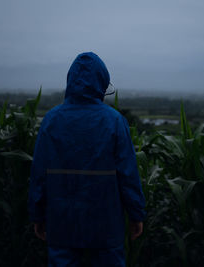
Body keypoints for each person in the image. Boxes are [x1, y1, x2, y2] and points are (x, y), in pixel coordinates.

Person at [28, 52, 146, 267]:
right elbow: (128, 174)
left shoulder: (51, 120)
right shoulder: (115, 121)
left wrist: (37, 215)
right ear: (101, 82)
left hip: (62, 221)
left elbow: (39, 175)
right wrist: (136, 214)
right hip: (106, 223)